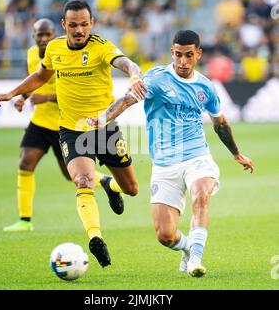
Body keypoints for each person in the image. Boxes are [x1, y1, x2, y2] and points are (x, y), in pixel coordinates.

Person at [0, 0, 147, 268]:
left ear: (92, 24)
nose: (79, 30)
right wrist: (12, 93)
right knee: (82, 181)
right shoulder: (54, 48)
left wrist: (135, 75)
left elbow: (126, 63)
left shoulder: (101, 46)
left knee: (131, 189)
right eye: (73, 25)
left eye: (84, 24)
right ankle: (96, 237)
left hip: (104, 127)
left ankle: (110, 185)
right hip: (72, 130)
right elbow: (41, 76)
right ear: (64, 25)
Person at [87, 30, 254, 277]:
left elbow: (219, 123)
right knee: (165, 236)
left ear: (198, 54)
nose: (183, 62)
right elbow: (127, 100)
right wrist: (102, 119)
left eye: (188, 55)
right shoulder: (155, 79)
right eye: (178, 55)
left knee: (201, 195)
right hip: (164, 165)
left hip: (197, 157)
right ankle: (188, 249)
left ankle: (196, 259)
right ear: (172, 53)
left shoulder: (205, 86)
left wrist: (236, 153)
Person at [3, 18, 122, 233]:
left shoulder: (64, 53)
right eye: (40, 35)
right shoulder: (32, 55)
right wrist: (23, 96)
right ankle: (24, 220)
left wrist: (46, 97)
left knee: (71, 176)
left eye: (48, 34)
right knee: (25, 163)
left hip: (64, 124)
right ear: (34, 36)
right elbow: (37, 79)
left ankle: (104, 181)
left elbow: (71, 92)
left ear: (55, 33)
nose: (44, 38)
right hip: (39, 122)